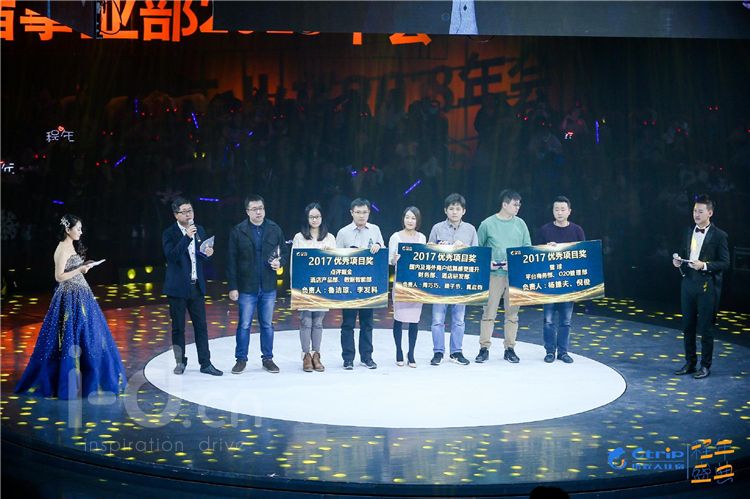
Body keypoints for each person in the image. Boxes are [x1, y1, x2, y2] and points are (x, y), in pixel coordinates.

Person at [15, 214, 127, 399]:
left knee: (89, 335)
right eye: (78, 229)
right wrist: (79, 269)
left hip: (82, 295)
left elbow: (71, 270)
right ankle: (67, 381)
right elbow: (59, 276)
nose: (81, 232)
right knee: (71, 338)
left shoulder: (71, 245)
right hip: (69, 297)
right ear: (68, 230)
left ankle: (89, 378)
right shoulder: (61, 248)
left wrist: (84, 266)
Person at [162, 197, 222, 376]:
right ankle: (180, 361)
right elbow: (172, 256)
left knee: (201, 326)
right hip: (177, 288)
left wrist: (208, 253)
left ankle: (205, 363)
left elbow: (199, 256)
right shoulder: (169, 233)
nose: (189, 215)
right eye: (185, 212)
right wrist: (187, 237)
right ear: (176, 215)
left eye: (191, 211)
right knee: (178, 328)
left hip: (196, 286)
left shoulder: (199, 229)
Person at [227, 195, 287, 374]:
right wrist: (233, 286)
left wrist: (280, 262)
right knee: (244, 324)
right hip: (246, 286)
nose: (258, 212)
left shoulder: (274, 228)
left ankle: (268, 359)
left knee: (267, 324)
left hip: (268, 285)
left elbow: (284, 252)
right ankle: (241, 359)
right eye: (254, 209)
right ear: (247, 211)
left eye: (261, 208)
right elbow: (231, 261)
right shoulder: (239, 231)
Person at [672, 195, 729, 379]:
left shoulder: (719, 235)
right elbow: (684, 253)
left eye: (701, 211)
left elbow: (725, 262)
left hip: (706, 285)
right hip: (688, 282)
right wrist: (678, 261)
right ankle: (690, 362)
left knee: (705, 327)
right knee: (688, 326)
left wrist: (704, 265)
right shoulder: (688, 231)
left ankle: (705, 366)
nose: (696, 214)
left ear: (710, 213)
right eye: (695, 211)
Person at [476, 189, 531, 364]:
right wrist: (489, 263)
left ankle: (510, 348)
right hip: (494, 275)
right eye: (515, 204)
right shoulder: (487, 224)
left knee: (512, 314)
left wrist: (516, 264)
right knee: (489, 312)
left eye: (519, 205)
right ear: (504, 204)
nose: (517, 207)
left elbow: (527, 248)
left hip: (514, 276)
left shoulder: (521, 224)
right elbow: (479, 250)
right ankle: (484, 348)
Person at [428, 193, 478, 366]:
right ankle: (438, 352)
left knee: (459, 319)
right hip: (440, 280)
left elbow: (476, 255)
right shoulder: (437, 228)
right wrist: (437, 247)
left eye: (458, 209)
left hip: (461, 281)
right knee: (437, 320)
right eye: (451, 208)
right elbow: (427, 253)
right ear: (445, 210)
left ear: (464, 211)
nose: (454, 212)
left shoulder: (470, 229)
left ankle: (456, 352)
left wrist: (465, 248)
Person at [335, 198, 385, 370]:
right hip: (349, 284)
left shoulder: (375, 230)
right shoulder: (343, 233)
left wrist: (378, 245)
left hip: (369, 283)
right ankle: (348, 358)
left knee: (367, 323)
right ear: (351, 213)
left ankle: (367, 357)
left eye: (364, 212)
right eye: (358, 212)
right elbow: (335, 258)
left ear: (369, 213)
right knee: (348, 323)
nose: (361, 215)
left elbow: (382, 251)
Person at [537, 196, 586, 364]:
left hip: (568, 283)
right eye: (556, 209)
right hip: (549, 282)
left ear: (569, 211)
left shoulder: (577, 230)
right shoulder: (545, 230)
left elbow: (583, 255)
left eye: (563, 209)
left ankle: (563, 352)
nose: (559, 212)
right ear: (552, 211)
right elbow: (534, 255)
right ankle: (550, 351)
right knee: (548, 320)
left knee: (566, 320)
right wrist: (545, 249)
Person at [292, 202, 336, 372]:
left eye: (317, 216)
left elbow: (336, 264)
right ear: (307, 218)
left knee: (318, 322)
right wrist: (295, 287)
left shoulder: (330, 238)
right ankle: (306, 356)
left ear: (322, 217)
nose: (315, 220)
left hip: (323, 285)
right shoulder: (299, 237)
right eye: (311, 217)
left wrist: (329, 252)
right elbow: (294, 264)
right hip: (304, 285)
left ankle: (316, 354)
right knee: (305, 321)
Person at [388, 206, 427, 367]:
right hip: (400, 283)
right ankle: (399, 351)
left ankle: (411, 353)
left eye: (413, 218)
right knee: (398, 318)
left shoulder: (422, 237)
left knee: (414, 320)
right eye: (407, 217)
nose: (410, 221)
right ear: (403, 219)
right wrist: (395, 259)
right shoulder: (395, 237)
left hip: (416, 284)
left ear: (417, 221)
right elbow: (390, 261)